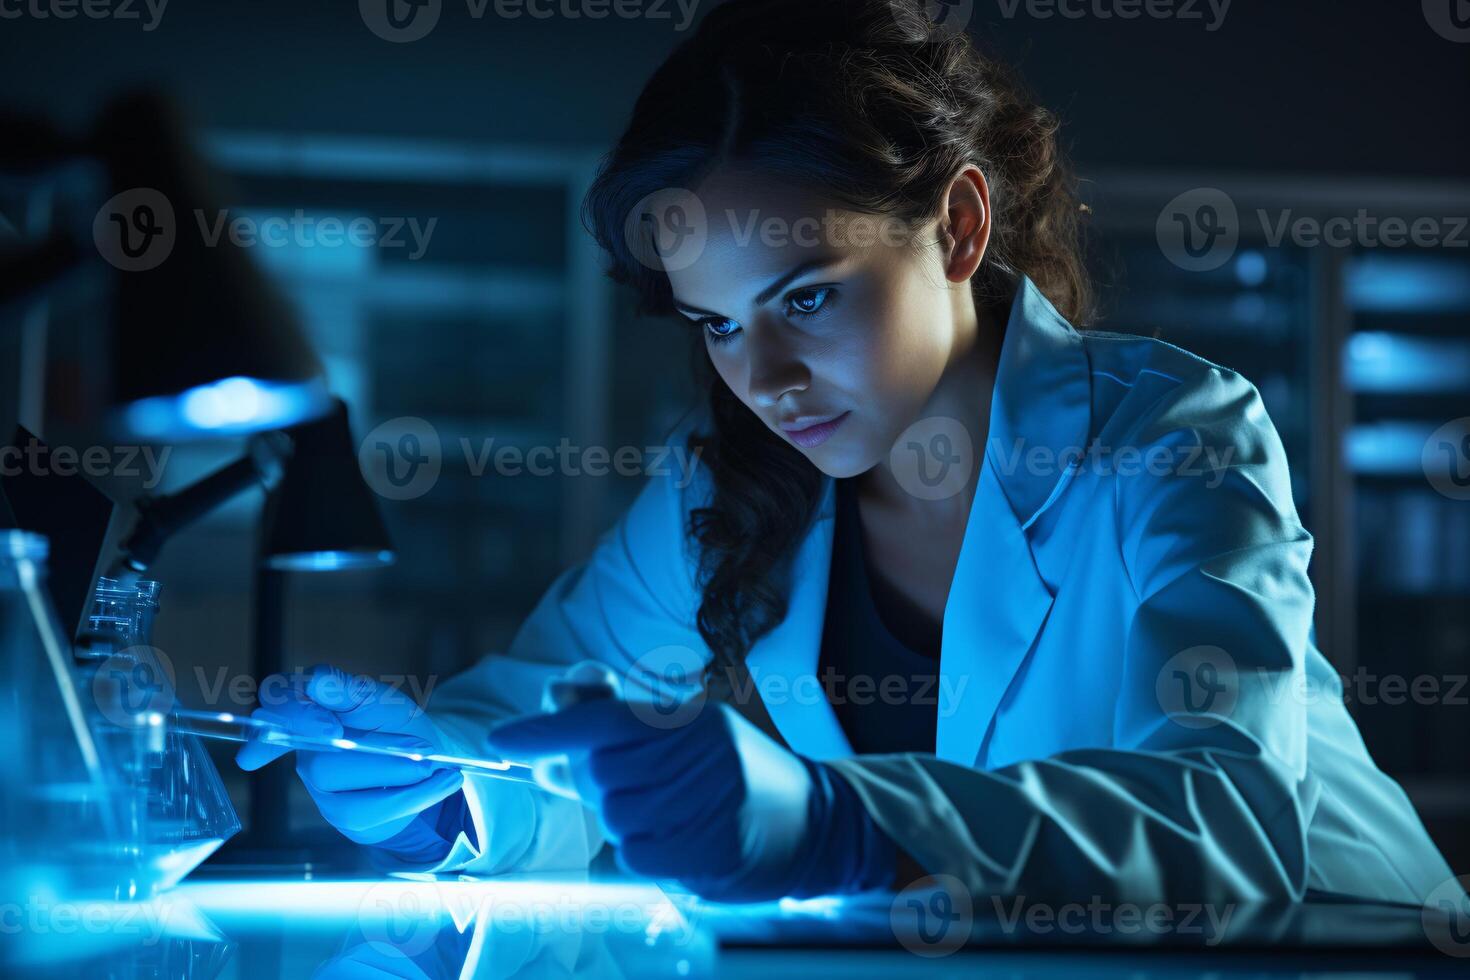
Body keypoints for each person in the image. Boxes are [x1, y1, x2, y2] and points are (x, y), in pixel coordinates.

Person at [237, 0, 1458, 906]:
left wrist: (835, 820)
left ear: (962, 224)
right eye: (717, 323)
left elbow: (1225, 827)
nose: (759, 380)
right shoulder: (723, 493)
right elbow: (555, 730)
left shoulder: (1170, 436)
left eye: (807, 298)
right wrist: (426, 778)